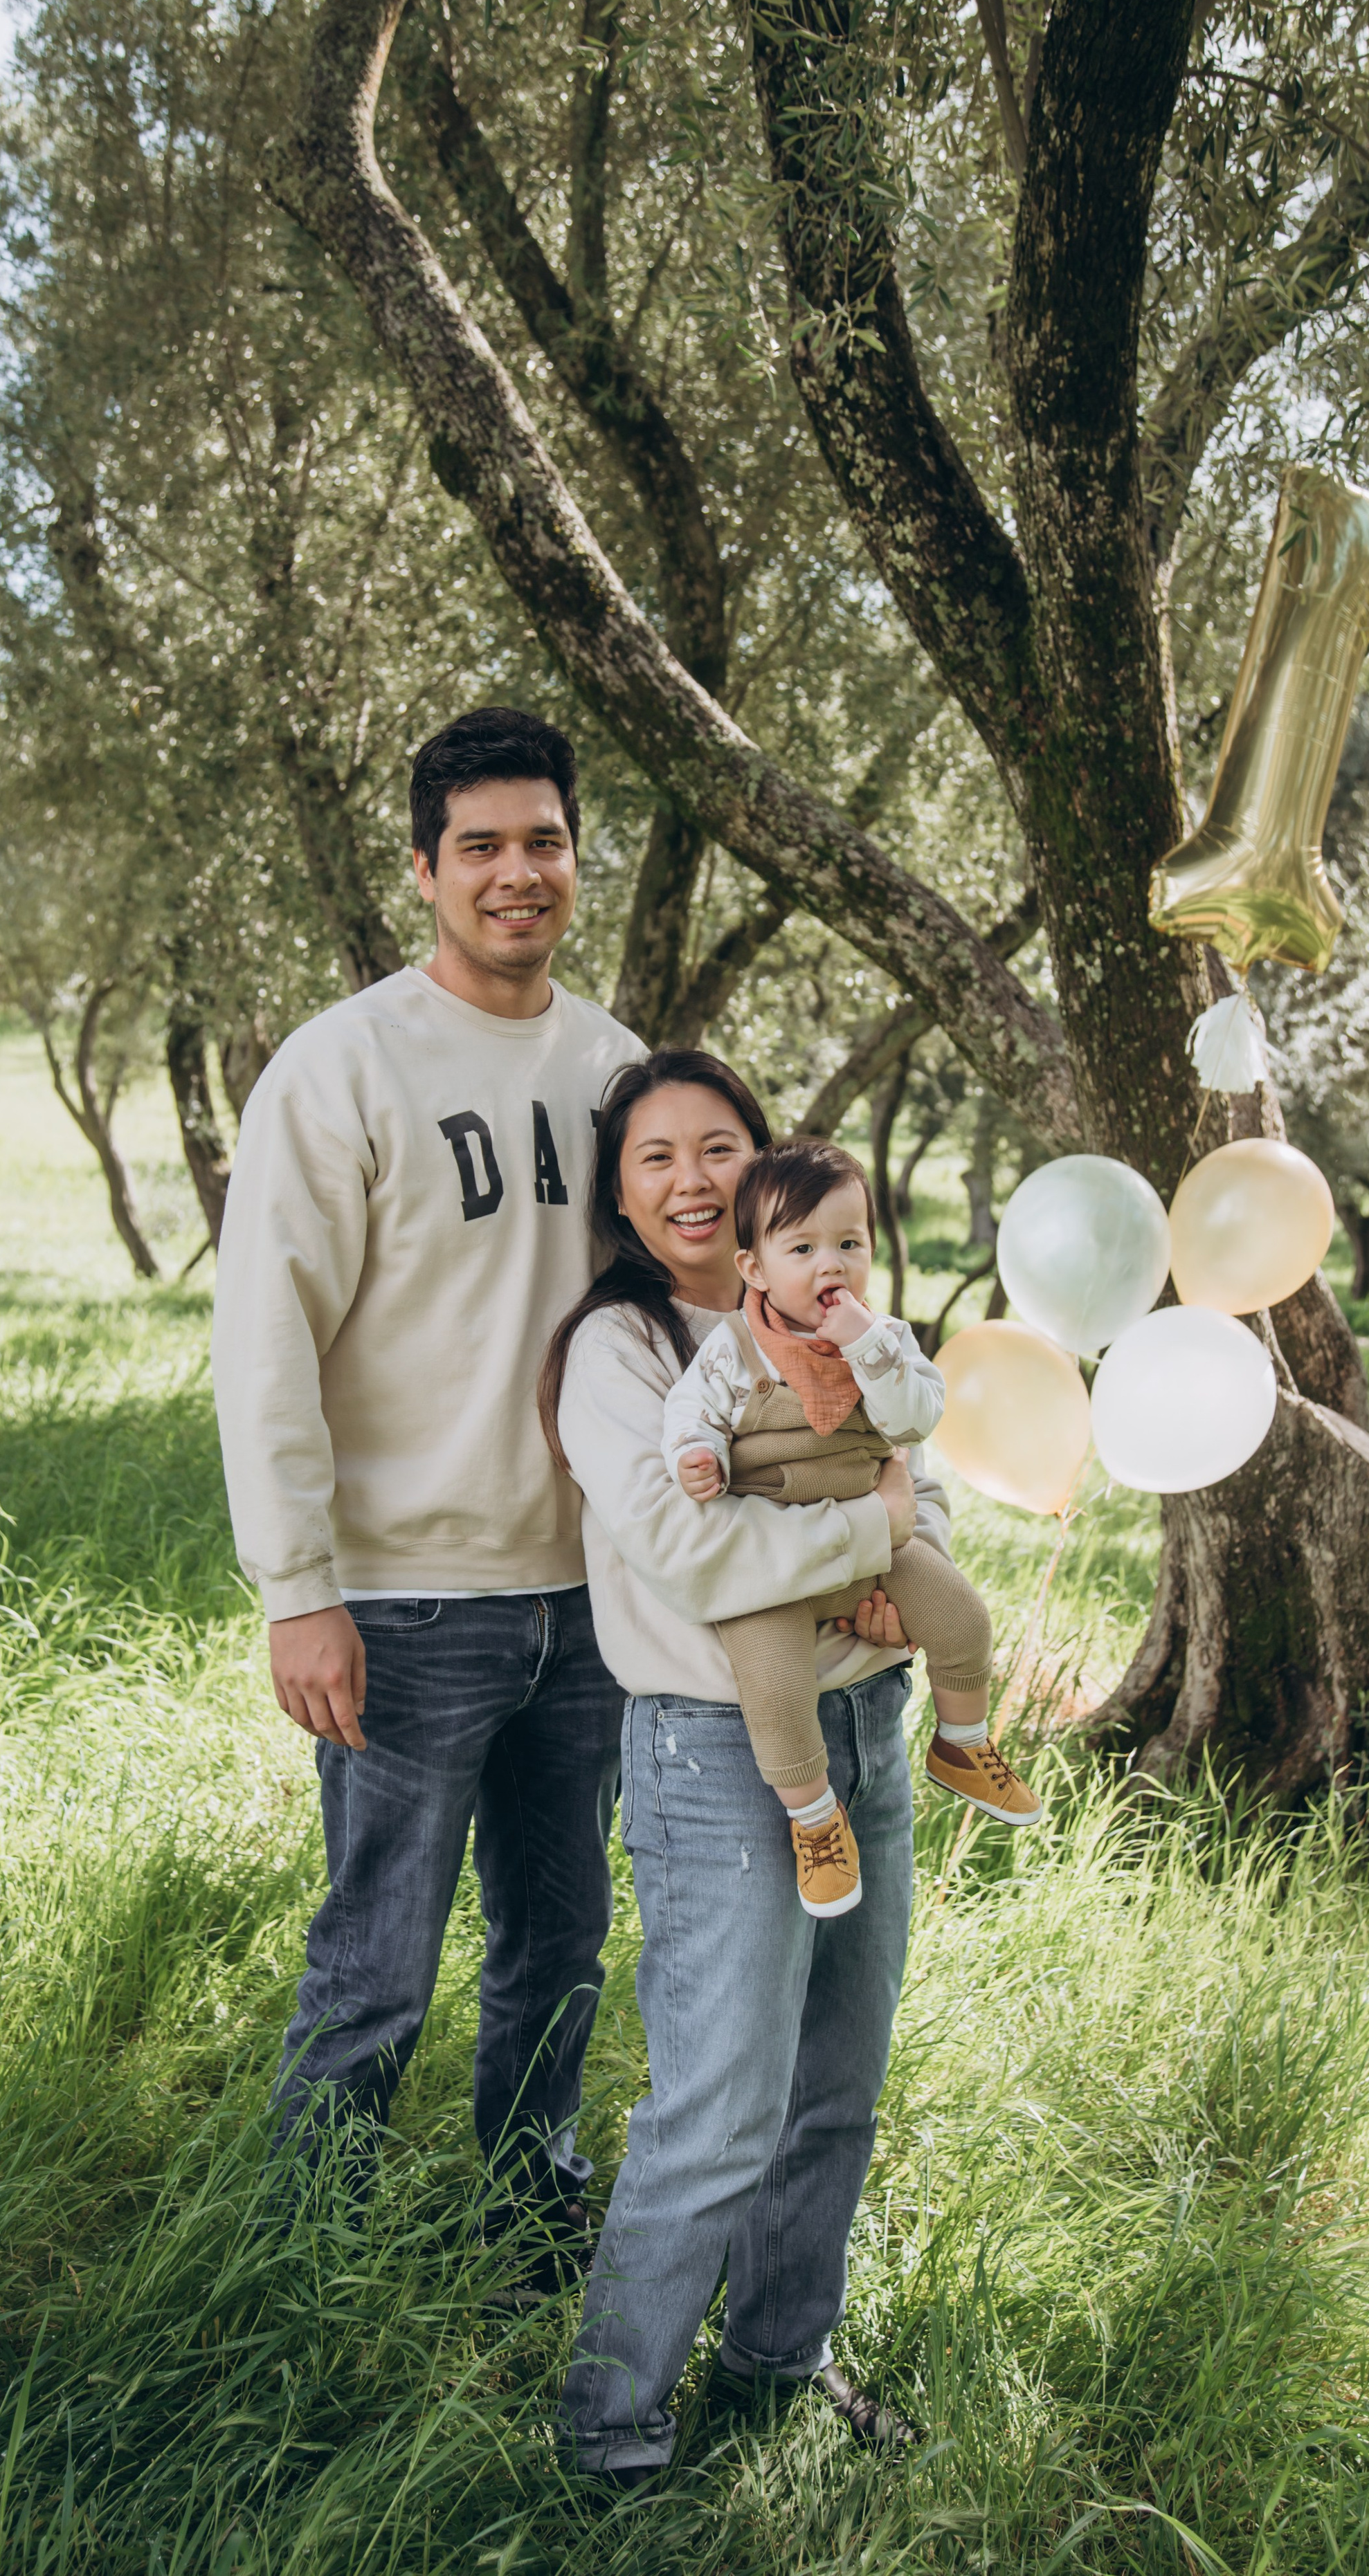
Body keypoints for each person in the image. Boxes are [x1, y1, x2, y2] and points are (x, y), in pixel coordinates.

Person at [210, 706, 644, 2263]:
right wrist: (297, 1589)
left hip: (590, 1604)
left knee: (561, 1944)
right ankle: (302, 2265)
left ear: (575, 860)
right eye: (481, 847)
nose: (515, 874)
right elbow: (264, 1341)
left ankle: (530, 2232)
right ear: (424, 870)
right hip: (400, 1604)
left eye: (542, 842)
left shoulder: (614, 1070)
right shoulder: (341, 1068)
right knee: (376, 1962)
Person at [536, 1050, 952, 2485]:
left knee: (836, 2081)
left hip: (863, 1726)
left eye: (718, 1148)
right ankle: (609, 2425)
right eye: (655, 1159)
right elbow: (694, 1551)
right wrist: (872, 1536)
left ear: (766, 1175)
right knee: (715, 2108)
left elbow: (922, 1469)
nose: (692, 1179)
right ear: (622, 1197)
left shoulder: (834, 1318)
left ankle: (778, 2362)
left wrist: (918, 1557)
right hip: (717, 1750)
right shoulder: (622, 1355)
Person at [662, 1136, 1041, 1917]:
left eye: (848, 1244)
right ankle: (813, 1818)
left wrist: (866, 1347)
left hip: (876, 1543)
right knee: (772, 1685)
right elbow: (689, 1413)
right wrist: (698, 1453)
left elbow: (913, 1420)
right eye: (801, 1247)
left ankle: (961, 1742)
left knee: (963, 1616)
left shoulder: (885, 1341)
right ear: (755, 1270)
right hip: (772, 1559)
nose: (829, 1264)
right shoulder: (732, 1351)